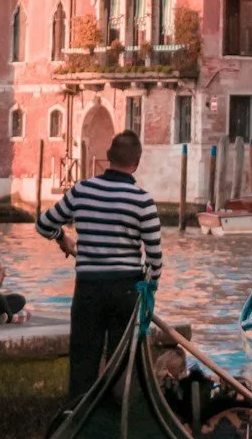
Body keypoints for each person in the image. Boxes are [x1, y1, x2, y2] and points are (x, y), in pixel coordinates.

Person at [37, 129, 163, 400]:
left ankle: (77, 417)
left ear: (108, 157)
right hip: (126, 290)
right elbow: (155, 259)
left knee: (83, 360)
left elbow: (44, 224)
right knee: (122, 364)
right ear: (137, 162)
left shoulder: (81, 190)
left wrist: (62, 238)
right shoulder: (143, 201)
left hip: (89, 287)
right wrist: (149, 291)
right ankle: (116, 421)